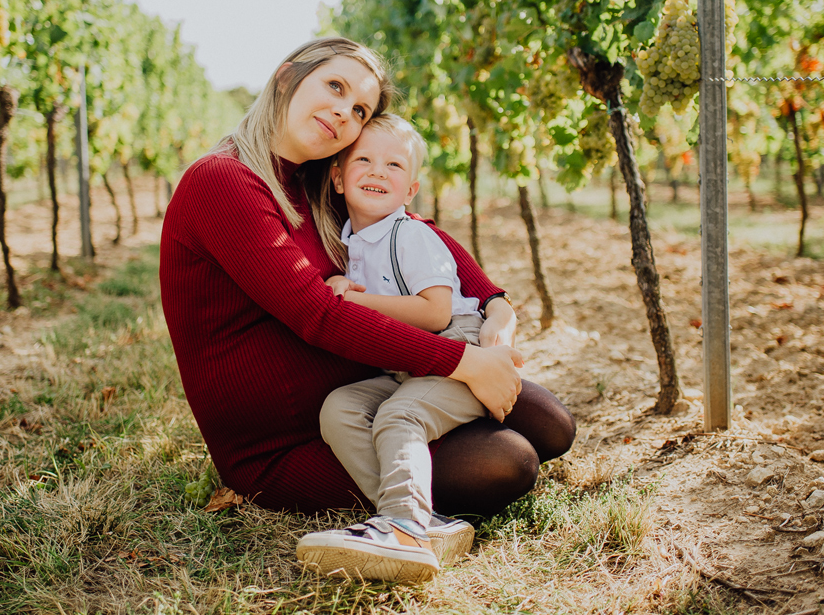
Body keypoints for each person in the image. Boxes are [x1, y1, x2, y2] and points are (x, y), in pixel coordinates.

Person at [159, 37, 576, 584]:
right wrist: (462, 362)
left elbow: (414, 228)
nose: (344, 113)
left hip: (374, 387)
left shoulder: (316, 181)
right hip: (291, 440)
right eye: (334, 86)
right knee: (508, 462)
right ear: (286, 78)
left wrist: (496, 305)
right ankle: (407, 522)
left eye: (359, 110)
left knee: (551, 423)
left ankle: (415, 499)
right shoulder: (222, 181)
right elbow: (319, 316)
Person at [294, 113, 510, 583]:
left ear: (410, 190)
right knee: (339, 408)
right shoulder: (351, 242)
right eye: (364, 160)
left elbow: (435, 312)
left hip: (458, 352)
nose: (377, 171)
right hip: (406, 365)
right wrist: (342, 282)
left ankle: (401, 525)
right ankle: (419, 522)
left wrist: (350, 299)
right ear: (337, 178)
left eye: (393, 165)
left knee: (399, 416)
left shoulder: (411, 235)